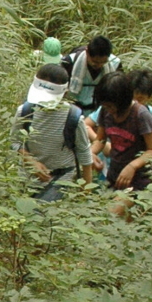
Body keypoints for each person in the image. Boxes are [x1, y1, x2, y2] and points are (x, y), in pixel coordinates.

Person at [12, 63, 93, 201]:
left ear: (64, 94)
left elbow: (84, 153)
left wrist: (85, 192)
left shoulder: (73, 118)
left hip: (61, 179)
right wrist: (31, 161)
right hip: (28, 180)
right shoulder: (24, 112)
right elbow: (15, 141)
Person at [90, 72, 152, 213]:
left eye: (111, 107)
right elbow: (101, 139)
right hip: (115, 175)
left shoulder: (141, 115)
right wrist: (91, 153)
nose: (109, 111)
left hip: (139, 179)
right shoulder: (105, 111)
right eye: (105, 106)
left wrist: (132, 167)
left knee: (110, 214)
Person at [63, 36, 122, 112]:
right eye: (95, 62)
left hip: (100, 112)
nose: (99, 65)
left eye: (103, 62)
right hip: (72, 111)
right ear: (87, 52)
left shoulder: (115, 64)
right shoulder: (70, 62)